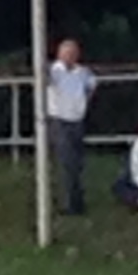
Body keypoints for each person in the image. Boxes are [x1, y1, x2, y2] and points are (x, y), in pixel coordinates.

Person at [45, 38, 97, 217]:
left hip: (77, 120)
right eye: (66, 53)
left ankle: (77, 201)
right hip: (59, 120)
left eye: (72, 53)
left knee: (77, 163)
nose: (69, 57)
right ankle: (68, 203)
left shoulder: (83, 72)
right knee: (66, 162)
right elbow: (45, 81)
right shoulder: (53, 70)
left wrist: (82, 103)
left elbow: (92, 86)